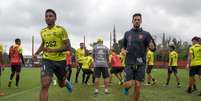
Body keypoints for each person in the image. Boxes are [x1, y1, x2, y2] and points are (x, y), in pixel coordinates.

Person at [32, 9, 73, 101]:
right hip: (47, 60)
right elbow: (43, 43)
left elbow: (68, 47)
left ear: (55, 18)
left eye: (50, 16)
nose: (48, 18)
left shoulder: (61, 30)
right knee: (45, 84)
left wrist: (53, 50)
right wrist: (36, 53)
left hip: (61, 60)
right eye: (46, 16)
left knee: (61, 84)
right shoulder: (43, 31)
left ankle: (65, 82)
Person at [122, 13, 156, 101]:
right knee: (129, 84)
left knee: (138, 85)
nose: (137, 21)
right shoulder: (127, 33)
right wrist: (122, 51)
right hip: (129, 62)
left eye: (138, 20)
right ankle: (126, 88)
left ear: (141, 21)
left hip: (141, 63)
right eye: (135, 19)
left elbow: (153, 48)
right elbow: (123, 46)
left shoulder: (146, 34)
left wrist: (152, 46)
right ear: (132, 21)